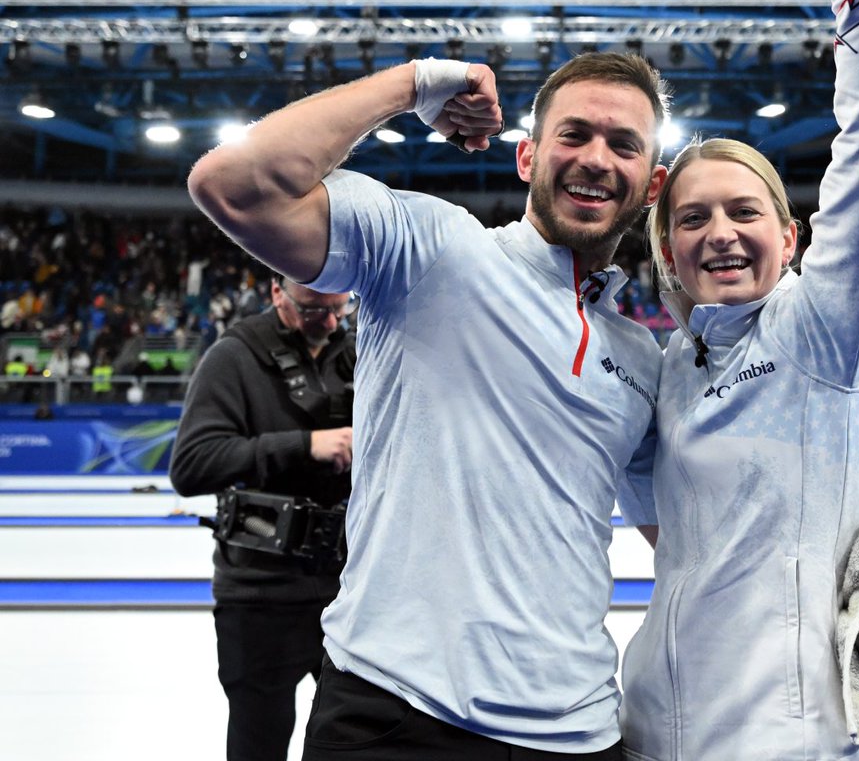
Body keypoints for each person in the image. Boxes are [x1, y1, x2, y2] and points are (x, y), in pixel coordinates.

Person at [186, 50, 670, 759]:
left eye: (622, 144)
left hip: (580, 732)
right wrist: (414, 84)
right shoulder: (429, 248)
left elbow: (686, 541)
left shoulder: (641, 358)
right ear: (527, 156)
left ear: (651, 184)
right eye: (573, 135)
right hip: (394, 715)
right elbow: (233, 185)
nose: (596, 158)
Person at [619, 0, 859, 760]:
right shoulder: (661, 369)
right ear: (666, 248)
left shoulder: (822, 330)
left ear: (793, 236)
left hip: (794, 739)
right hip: (649, 722)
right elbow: (675, 542)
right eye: (692, 219)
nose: (720, 234)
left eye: (745, 212)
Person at [169, 276, 357, 761]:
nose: (331, 323)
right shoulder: (233, 357)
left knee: (354, 741)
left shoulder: (358, 352)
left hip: (350, 592)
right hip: (259, 593)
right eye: (316, 311)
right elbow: (192, 465)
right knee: (258, 742)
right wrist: (304, 446)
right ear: (278, 293)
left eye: (341, 309)